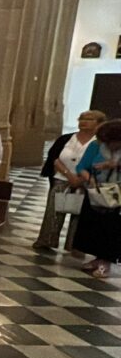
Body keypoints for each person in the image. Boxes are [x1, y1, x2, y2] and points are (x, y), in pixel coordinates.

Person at [34, 110, 106, 251]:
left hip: (86, 182)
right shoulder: (66, 139)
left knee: (80, 215)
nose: (84, 122)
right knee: (54, 211)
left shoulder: (99, 143)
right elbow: (54, 157)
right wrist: (69, 175)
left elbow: (99, 163)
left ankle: (75, 245)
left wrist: (81, 179)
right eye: (81, 119)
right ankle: (47, 240)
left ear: (99, 124)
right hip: (61, 178)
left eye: (89, 119)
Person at [71, 119, 121, 278]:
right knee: (92, 225)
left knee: (111, 227)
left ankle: (106, 261)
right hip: (96, 191)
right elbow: (82, 167)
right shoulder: (96, 145)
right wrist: (89, 178)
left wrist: (113, 165)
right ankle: (96, 258)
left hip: (117, 194)